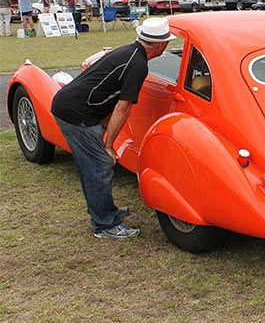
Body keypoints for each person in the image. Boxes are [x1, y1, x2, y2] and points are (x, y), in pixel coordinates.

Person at [50, 18, 175, 240]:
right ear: (160, 46)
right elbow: (123, 107)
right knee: (99, 166)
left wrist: (105, 133)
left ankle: (104, 211)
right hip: (76, 113)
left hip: (73, 107)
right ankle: (105, 224)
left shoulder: (129, 53)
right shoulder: (138, 65)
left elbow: (111, 98)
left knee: (93, 165)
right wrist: (108, 145)